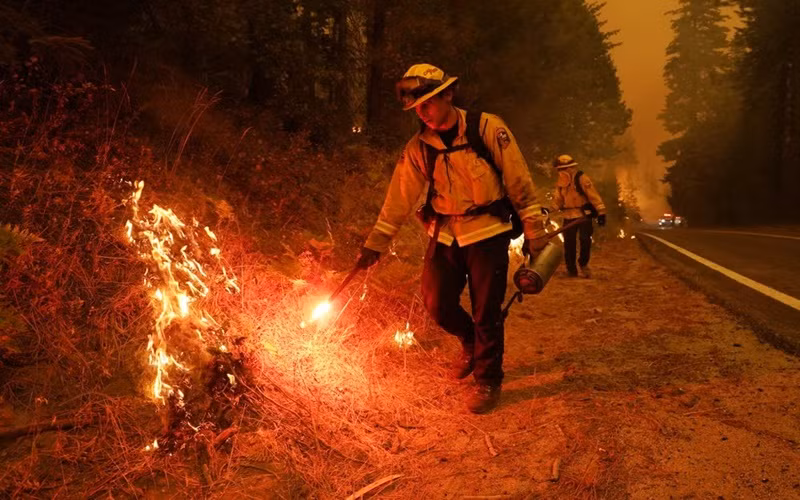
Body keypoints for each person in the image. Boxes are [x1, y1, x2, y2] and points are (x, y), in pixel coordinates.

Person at [355, 63, 547, 414]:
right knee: (436, 303)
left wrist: (534, 229)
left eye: (428, 103)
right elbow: (399, 197)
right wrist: (375, 243)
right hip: (444, 235)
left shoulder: (487, 128)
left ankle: (488, 380)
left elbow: (519, 181)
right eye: (417, 108)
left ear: (448, 94)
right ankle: (469, 340)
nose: (422, 113)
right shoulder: (418, 147)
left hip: (488, 232)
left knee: (486, 309)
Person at [550, 154, 606, 278]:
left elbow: (594, 196)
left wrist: (601, 213)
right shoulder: (560, 182)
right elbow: (558, 201)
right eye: (559, 169)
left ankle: (583, 264)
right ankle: (571, 270)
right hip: (568, 216)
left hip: (583, 216)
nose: (560, 172)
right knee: (569, 243)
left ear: (569, 168)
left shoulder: (582, 179)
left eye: (562, 169)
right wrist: (548, 210)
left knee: (585, 240)